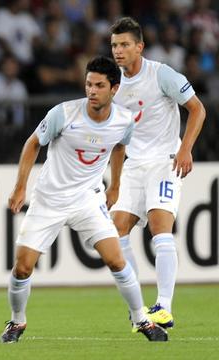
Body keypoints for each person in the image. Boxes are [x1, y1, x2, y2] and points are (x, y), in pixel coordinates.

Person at [1, 56, 168, 343]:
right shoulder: (64, 114)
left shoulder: (124, 120)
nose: (92, 90)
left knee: (117, 260)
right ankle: (17, 322)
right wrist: (20, 188)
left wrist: (114, 186)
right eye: (89, 84)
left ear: (114, 89)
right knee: (23, 266)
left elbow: (119, 148)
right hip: (49, 200)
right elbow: (32, 144)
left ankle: (141, 319)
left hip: (87, 201)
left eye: (99, 85)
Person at [109, 17, 206, 328]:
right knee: (117, 229)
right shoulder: (114, 84)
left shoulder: (160, 74)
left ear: (140, 47)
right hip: (134, 164)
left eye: (124, 45)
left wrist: (185, 149)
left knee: (159, 227)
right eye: (114, 45)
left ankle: (164, 306)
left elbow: (197, 109)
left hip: (165, 161)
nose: (118, 51)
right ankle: (139, 306)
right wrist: (114, 182)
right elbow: (116, 140)